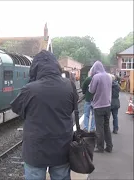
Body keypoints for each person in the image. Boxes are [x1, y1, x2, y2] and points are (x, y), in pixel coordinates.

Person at [11, 50, 79, 180]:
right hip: (62, 147)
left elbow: (16, 108)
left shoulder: (30, 89)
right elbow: (72, 107)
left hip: (35, 149)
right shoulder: (69, 86)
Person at [88, 61, 113, 153]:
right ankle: (109, 146)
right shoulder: (109, 76)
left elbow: (91, 90)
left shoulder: (96, 77)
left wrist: (90, 84)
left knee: (99, 128)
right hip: (108, 105)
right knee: (106, 126)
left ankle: (100, 147)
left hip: (98, 106)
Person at [82, 67, 95, 132]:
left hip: (88, 99)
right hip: (95, 100)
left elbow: (83, 87)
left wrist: (85, 93)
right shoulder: (97, 78)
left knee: (86, 114)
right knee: (94, 115)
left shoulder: (88, 79)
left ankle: (86, 128)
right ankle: (93, 128)